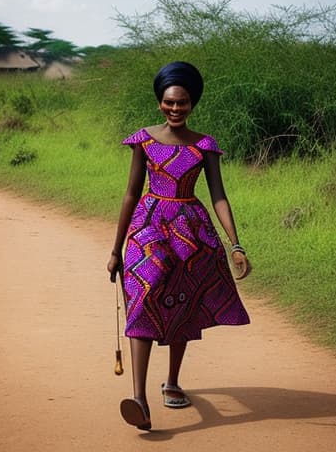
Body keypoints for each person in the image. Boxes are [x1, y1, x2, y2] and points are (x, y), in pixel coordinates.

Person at [107, 61, 251, 431]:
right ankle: (139, 398)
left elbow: (219, 196)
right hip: (148, 227)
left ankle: (171, 381)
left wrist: (236, 244)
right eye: (169, 102)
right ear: (159, 102)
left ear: (193, 103)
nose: (175, 109)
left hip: (191, 231)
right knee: (142, 298)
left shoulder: (204, 146)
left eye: (182, 102)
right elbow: (130, 194)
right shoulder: (143, 140)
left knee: (182, 302)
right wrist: (115, 248)